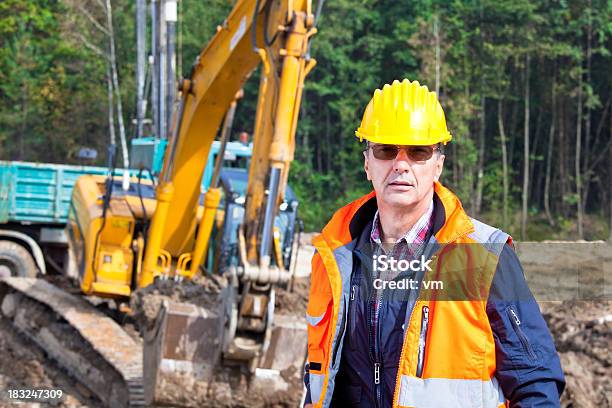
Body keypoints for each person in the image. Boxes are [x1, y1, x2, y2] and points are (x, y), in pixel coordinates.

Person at [303, 79, 565, 407]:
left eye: (418, 152)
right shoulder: (334, 255)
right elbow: (321, 373)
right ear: (367, 162)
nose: (401, 164)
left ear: (437, 164)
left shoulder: (485, 259)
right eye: (386, 149)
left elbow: (536, 381)